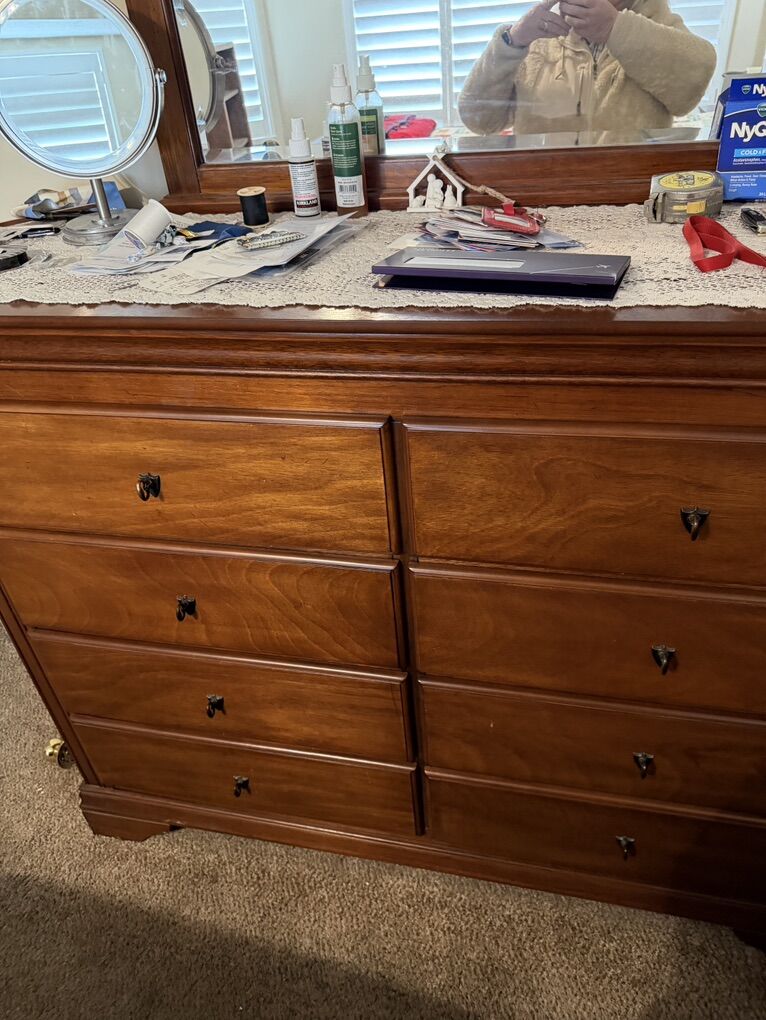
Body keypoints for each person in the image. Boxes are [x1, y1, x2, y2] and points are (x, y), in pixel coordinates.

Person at [458, 0, 717, 139]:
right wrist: (511, 42)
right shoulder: (536, 35)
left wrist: (615, 29)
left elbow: (692, 84)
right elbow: (479, 121)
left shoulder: (659, 25)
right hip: (540, 202)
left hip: (635, 200)